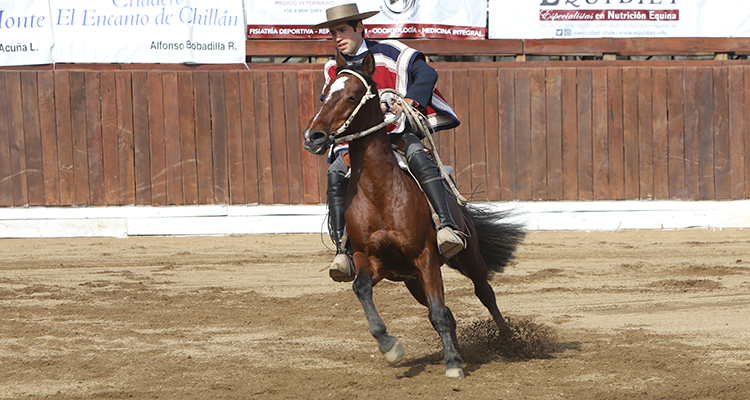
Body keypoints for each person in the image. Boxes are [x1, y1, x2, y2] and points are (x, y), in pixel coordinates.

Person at [310, 4, 464, 282]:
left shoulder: (390, 51)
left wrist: (408, 102)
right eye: (333, 32)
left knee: (417, 154)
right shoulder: (333, 67)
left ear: (359, 27)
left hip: (394, 134)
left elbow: (427, 75)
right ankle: (342, 250)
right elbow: (331, 104)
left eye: (342, 30)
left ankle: (445, 226)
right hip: (355, 143)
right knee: (334, 173)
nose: (337, 37)